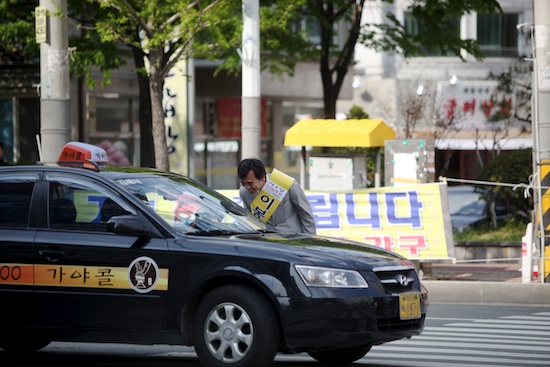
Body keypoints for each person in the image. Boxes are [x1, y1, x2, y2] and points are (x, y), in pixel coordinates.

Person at [237, 158, 316, 234]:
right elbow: (251, 219)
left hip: (292, 239)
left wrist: (310, 241)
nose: (247, 187)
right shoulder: (244, 192)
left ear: (263, 178)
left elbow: (306, 215)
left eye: (250, 183)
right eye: (243, 183)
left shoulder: (286, 184)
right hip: (266, 242)